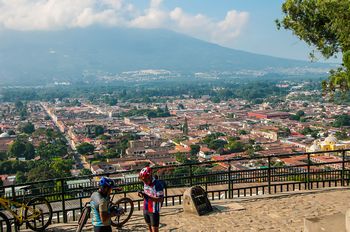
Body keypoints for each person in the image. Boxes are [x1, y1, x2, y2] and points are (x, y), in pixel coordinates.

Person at [138, 167, 164, 232]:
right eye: (143, 180)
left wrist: (148, 197)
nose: (144, 181)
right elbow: (146, 195)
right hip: (145, 208)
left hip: (154, 210)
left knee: (154, 230)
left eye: (145, 180)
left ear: (149, 177)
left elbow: (160, 199)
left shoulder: (157, 184)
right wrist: (141, 195)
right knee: (149, 227)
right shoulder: (145, 183)